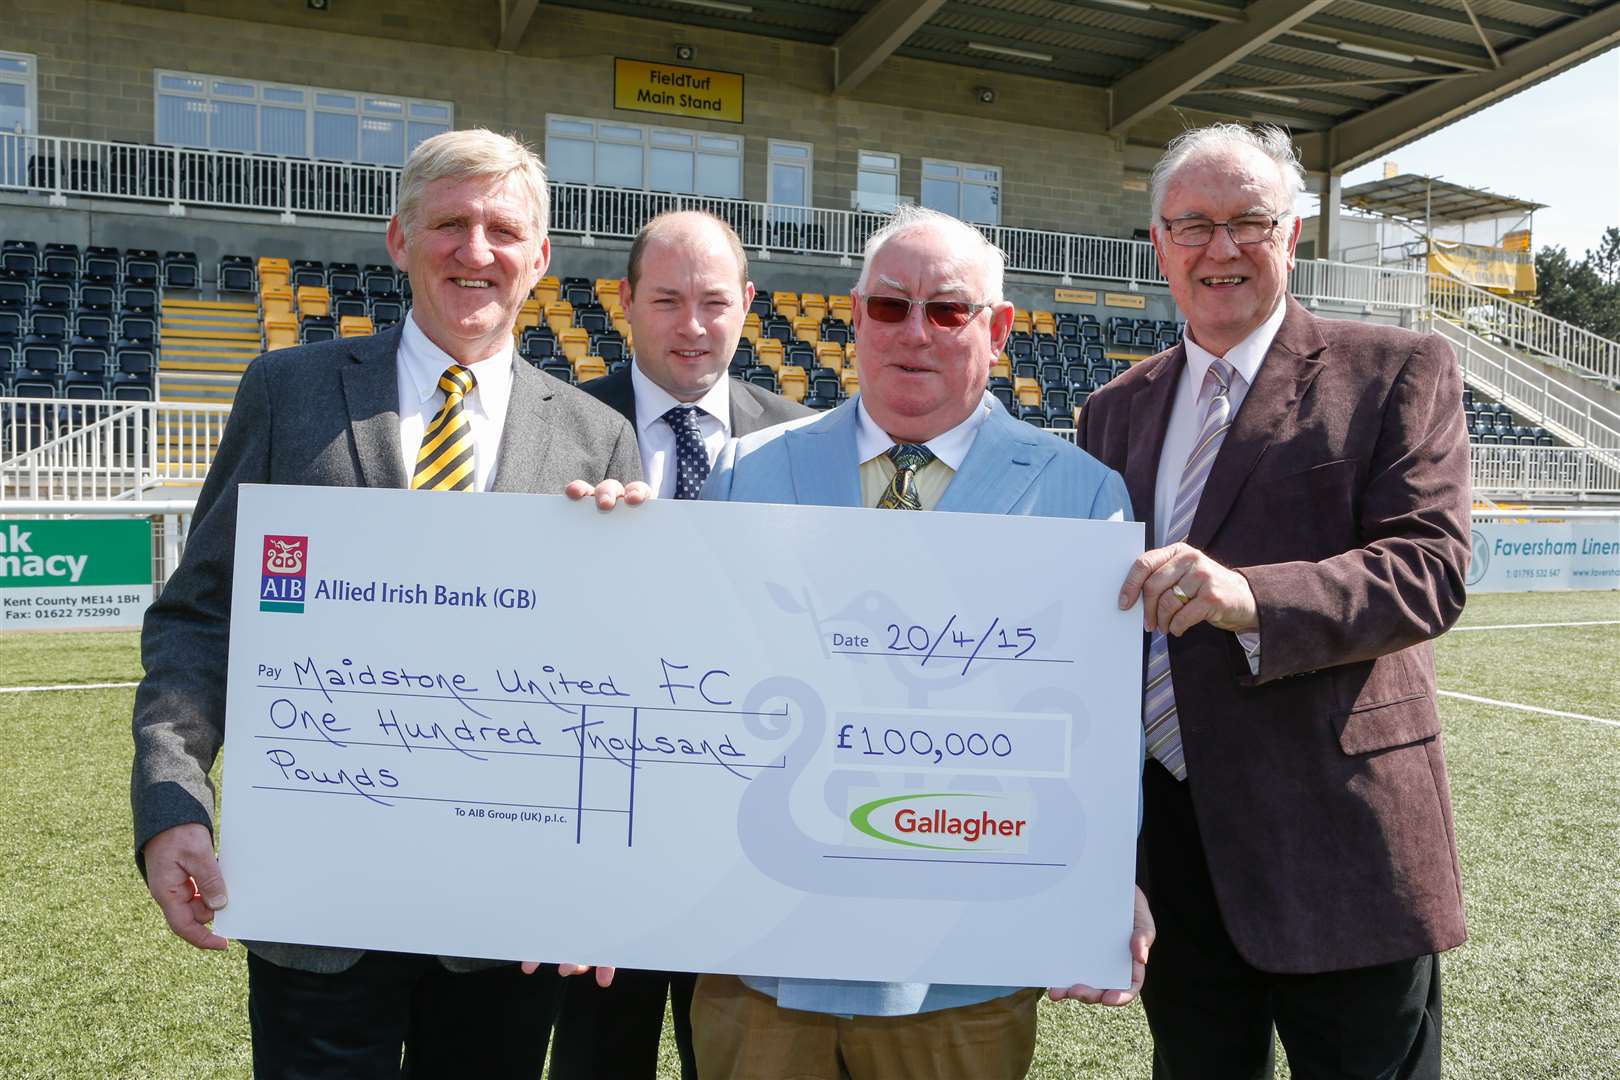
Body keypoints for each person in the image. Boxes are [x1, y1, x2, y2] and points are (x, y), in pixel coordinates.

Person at [130, 128, 641, 1078]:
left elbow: (617, 681)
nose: (475, 251)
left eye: (502, 229)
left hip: (505, 919)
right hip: (319, 905)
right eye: (450, 223)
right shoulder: (288, 392)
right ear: (400, 238)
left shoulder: (597, 439)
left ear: (541, 258)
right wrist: (172, 803)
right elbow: (201, 616)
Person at [688, 204, 1154, 1080]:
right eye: (891, 307)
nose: (916, 333)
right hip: (763, 954)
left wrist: (1100, 879)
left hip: (962, 975)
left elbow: (1102, 727)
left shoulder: (1083, 497)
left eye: (947, 310)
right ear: (856, 317)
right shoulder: (746, 472)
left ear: (999, 329)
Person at [1077, 123, 1470, 1080]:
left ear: (1292, 234)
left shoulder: (1397, 368)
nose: (1221, 250)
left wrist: (1248, 595)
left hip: (1342, 841)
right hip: (1176, 846)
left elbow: (1430, 568)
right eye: (1194, 226)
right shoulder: (1112, 410)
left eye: (1249, 222)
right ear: (1160, 242)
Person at [576, 209, 811, 508]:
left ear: (746, 303)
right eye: (667, 301)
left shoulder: (800, 437)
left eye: (714, 303)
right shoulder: (559, 428)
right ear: (627, 300)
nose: (692, 327)